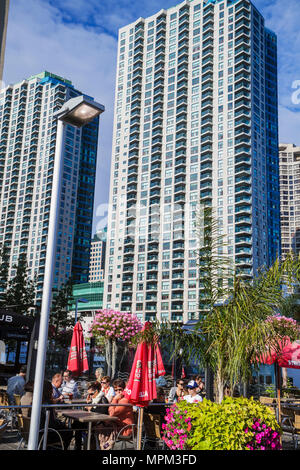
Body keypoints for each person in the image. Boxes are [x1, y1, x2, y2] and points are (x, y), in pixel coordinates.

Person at [40, 380, 73, 450]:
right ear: (49, 391)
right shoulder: (48, 403)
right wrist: (60, 424)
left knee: (65, 428)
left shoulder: (37, 401)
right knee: (69, 432)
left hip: (37, 432)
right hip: (46, 435)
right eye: (51, 390)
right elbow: (52, 423)